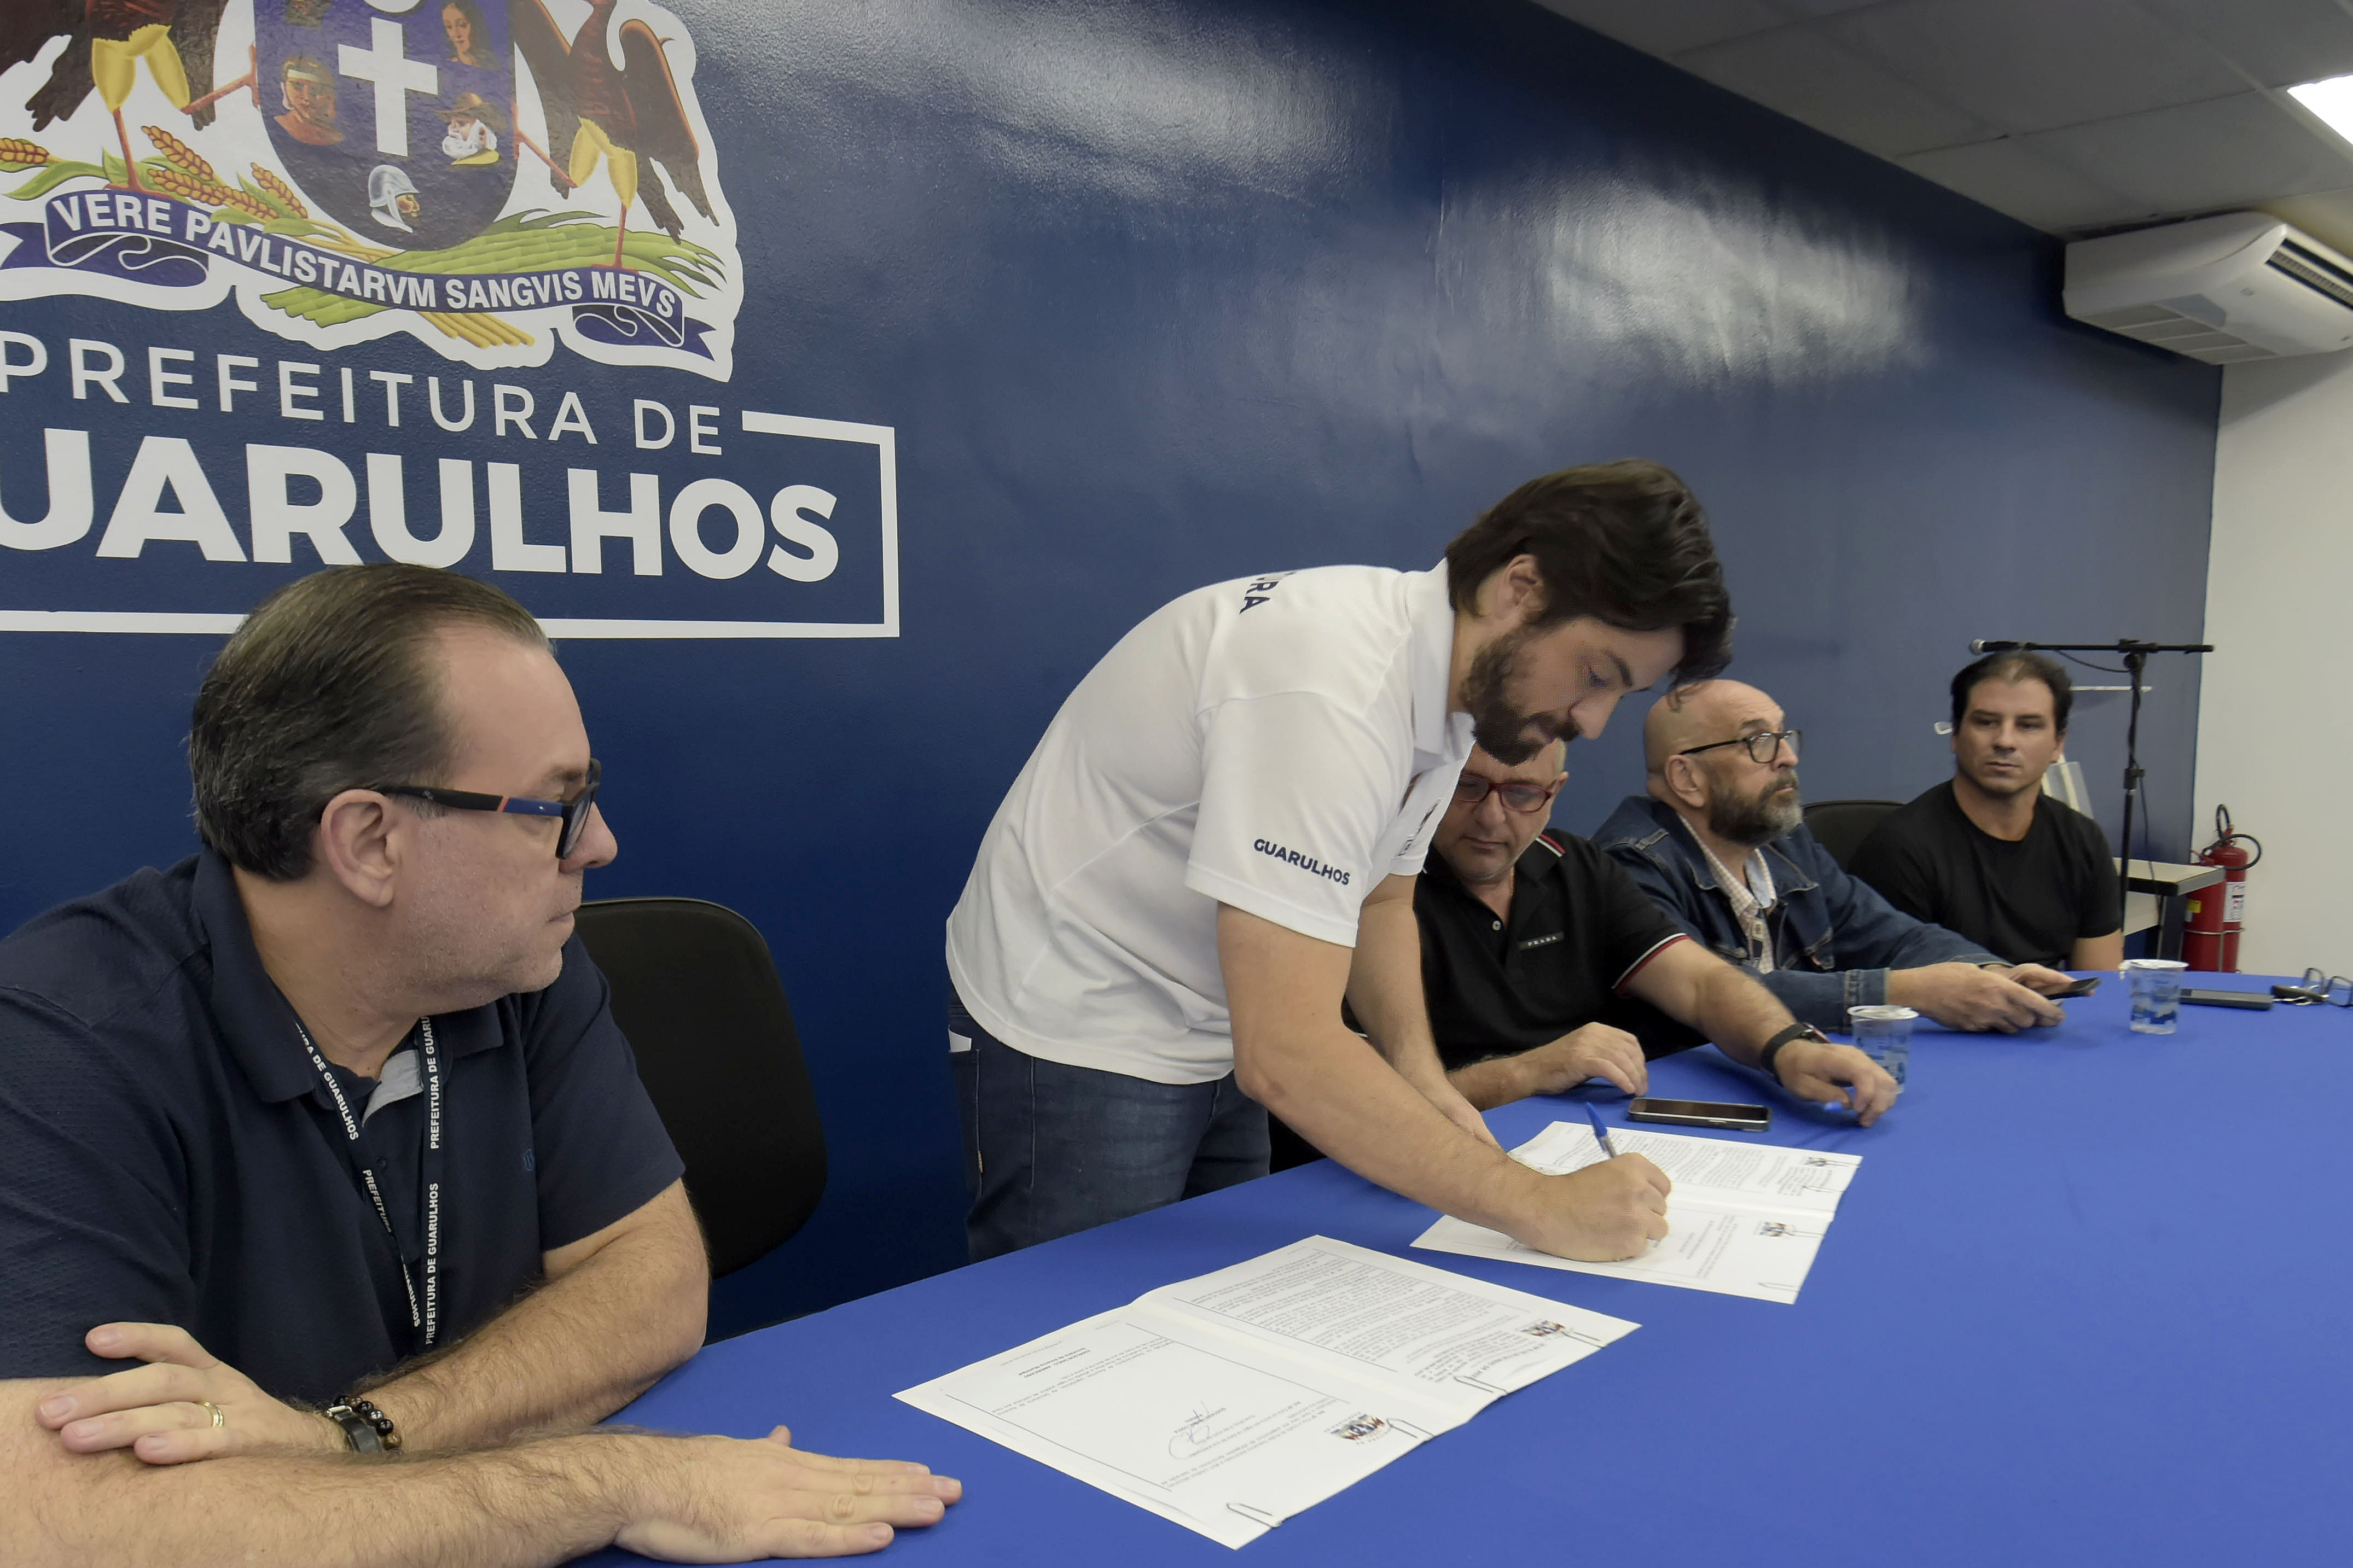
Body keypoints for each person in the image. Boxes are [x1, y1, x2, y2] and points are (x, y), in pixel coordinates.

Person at [0, 566, 958, 1564]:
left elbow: (654, 1277)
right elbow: (61, 1524)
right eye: (557, 806)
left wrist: (350, 1438)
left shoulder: (518, 966)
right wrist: (612, 1481)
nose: (600, 844)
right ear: (370, 840)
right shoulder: (57, 1050)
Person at [946, 459, 1734, 1266]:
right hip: (1086, 1018)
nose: (1594, 722)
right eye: (1597, 675)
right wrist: (1536, 1203)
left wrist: (1421, 1077)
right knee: (1080, 1317)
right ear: (1520, 588)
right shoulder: (1331, 690)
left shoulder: (1454, 687)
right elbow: (1287, 1054)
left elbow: (1381, 899)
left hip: (1220, 1016)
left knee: (1213, 1294)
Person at [1416, 739, 1896, 1122]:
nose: (1491, 816)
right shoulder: (1390, 896)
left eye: (1521, 793)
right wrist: (1526, 1071)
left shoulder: (1577, 866)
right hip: (1450, 1144)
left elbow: (1701, 983)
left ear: (1553, 794)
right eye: (1467, 786)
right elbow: (1374, 1099)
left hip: (1596, 1130)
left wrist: (1785, 1047)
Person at [1594, 680, 2078, 1035]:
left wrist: (1990, 974)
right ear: (1686, 778)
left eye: (1784, 735)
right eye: (1757, 742)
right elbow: (1719, 994)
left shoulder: (1784, 843)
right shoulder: (1630, 865)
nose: (1787, 757)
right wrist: (1913, 991)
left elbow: (1894, 935)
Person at [1849, 652, 2124, 971]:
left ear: (2058, 744)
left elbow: (2100, 984)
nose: (2005, 741)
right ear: (1955, 735)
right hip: (1944, 1004)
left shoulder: (2082, 840)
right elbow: (1897, 992)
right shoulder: (1899, 849)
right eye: (1986, 722)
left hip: (2054, 1003)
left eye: (2028, 726)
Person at [275, 56, 341, 147]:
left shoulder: (336, 137)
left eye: (316, 89)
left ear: (330, 95)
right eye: (297, 86)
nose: (307, 97)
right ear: (285, 87)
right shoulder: (275, 127)